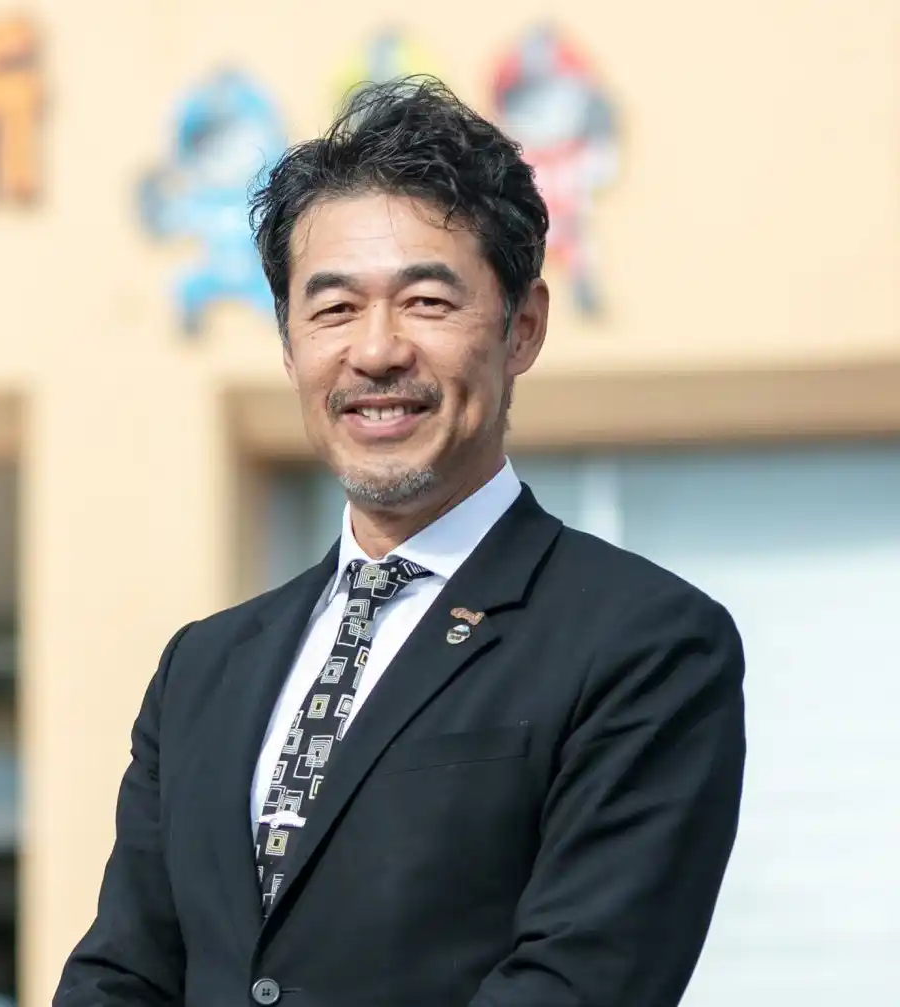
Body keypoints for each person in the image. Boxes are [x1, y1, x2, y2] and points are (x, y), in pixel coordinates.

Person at [54, 77, 746, 1007]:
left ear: (522, 328)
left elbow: (576, 981)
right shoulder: (203, 669)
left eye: (425, 301)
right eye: (334, 309)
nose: (376, 351)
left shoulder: (644, 641)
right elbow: (122, 972)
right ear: (289, 345)